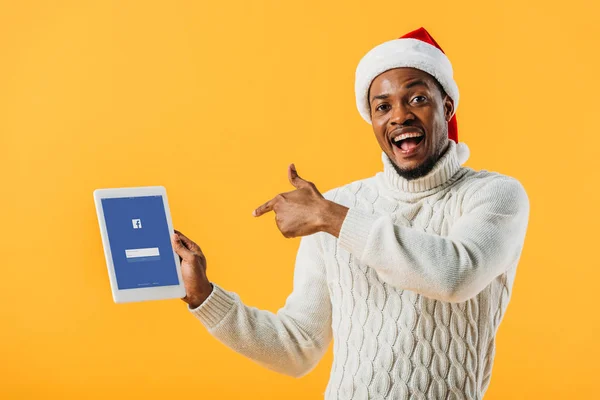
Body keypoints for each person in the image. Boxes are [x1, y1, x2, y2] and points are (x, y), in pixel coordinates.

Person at [171, 27, 530, 399]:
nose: (400, 116)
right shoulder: (338, 204)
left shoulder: (494, 195)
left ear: (447, 106)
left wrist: (332, 218)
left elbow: (456, 275)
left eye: (418, 98)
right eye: (383, 106)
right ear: (373, 120)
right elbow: (297, 348)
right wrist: (205, 297)